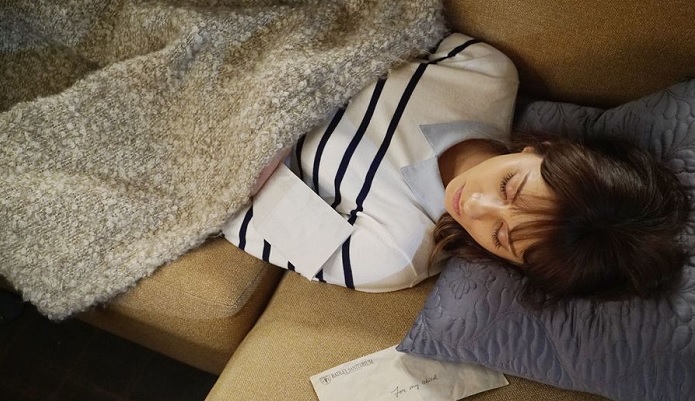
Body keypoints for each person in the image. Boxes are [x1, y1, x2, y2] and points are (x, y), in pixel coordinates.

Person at [222, 33, 689, 302]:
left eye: (500, 237)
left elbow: (229, 202)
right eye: (509, 186)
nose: (475, 206)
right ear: (543, 148)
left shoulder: (392, 254)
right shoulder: (485, 72)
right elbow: (377, 23)